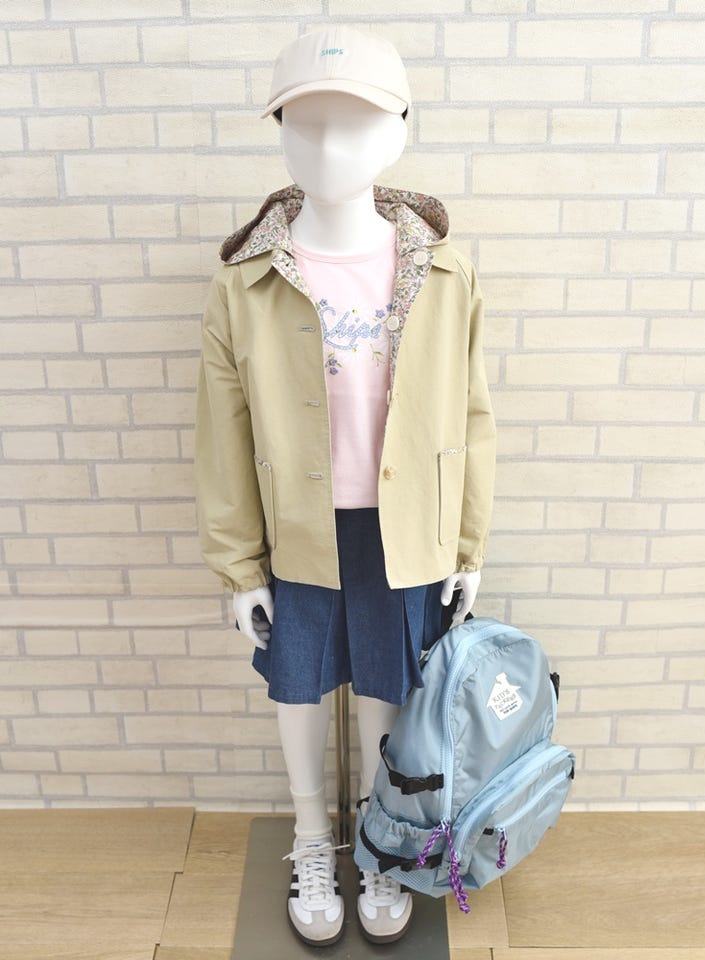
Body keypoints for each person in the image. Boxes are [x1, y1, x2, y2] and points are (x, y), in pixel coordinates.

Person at [194, 25, 496, 948]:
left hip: (404, 529)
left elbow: (472, 415)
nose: (328, 147)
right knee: (297, 688)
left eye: (355, 124)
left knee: (384, 694)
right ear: (280, 133)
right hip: (296, 527)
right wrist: (239, 567)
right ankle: (311, 839)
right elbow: (222, 437)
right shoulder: (245, 284)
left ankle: (379, 842)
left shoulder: (444, 272)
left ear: (399, 131)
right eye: (306, 124)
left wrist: (468, 547)